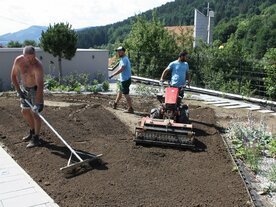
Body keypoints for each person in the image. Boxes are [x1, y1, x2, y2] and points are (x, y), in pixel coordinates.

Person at [11, 46, 44, 148]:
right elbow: (13, 76)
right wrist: (19, 91)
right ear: (24, 56)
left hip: (35, 90)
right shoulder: (18, 61)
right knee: (25, 111)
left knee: (35, 114)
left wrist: (37, 102)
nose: (31, 60)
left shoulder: (38, 66)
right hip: (24, 89)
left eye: (33, 57)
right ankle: (32, 131)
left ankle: (36, 138)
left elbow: (40, 85)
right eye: (29, 58)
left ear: (35, 55)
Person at [109, 46, 134, 113]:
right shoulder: (123, 59)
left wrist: (113, 74)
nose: (118, 53)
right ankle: (115, 104)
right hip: (122, 79)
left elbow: (122, 69)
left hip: (125, 80)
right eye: (117, 51)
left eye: (119, 51)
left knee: (126, 94)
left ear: (123, 52)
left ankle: (130, 108)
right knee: (120, 93)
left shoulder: (124, 59)